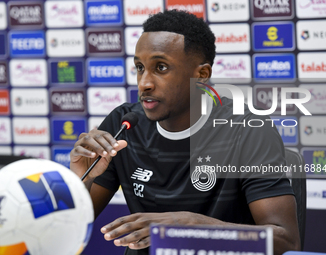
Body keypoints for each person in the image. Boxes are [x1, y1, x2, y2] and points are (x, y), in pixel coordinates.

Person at [70, 10, 300, 255]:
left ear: (201, 75)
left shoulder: (247, 130)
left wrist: (191, 225)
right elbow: (71, 226)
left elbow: (286, 241)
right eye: (139, 67)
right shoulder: (124, 123)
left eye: (161, 67)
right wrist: (82, 179)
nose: (144, 83)